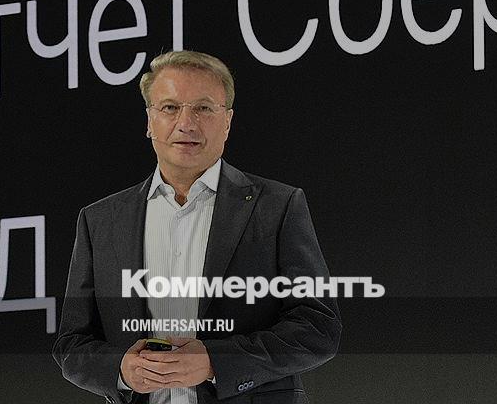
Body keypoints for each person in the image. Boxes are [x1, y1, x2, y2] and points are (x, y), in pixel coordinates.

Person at [53, 50, 341, 404]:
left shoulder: (278, 206)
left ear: (227, 122)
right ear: (149, 121)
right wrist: (120, 369)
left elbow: (318, 328)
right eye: (170, 108)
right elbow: (71, 344)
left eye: (203, 108)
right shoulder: (99, 221)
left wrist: (215, 363)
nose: (186, 123)